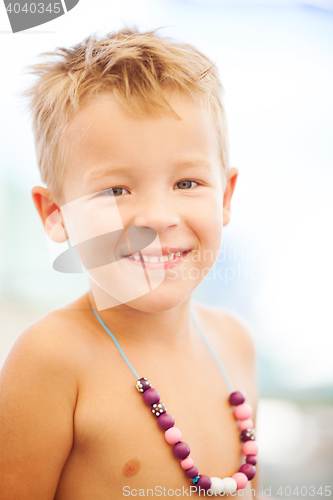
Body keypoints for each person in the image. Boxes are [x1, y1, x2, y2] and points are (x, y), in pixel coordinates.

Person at [0, 27, 262, 499]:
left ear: (225, 196)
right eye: (115, 190)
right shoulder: (50, 361)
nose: (157, 218)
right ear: (55, 215)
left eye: (187, 183)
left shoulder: (235, 344)